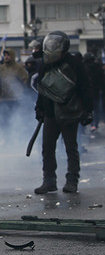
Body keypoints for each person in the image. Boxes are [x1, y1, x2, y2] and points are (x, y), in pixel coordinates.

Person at [34, 31, 93, 194]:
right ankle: (49, 180)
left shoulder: (74, 64)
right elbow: (42, 89)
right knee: (47, 147)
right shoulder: (45, 64)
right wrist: (39, 108)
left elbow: (85, 87)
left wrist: (88, 110)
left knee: (70, 148)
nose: (52, 49)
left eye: (55, 45)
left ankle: (72, 180)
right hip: (50, 113)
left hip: (69, 112)